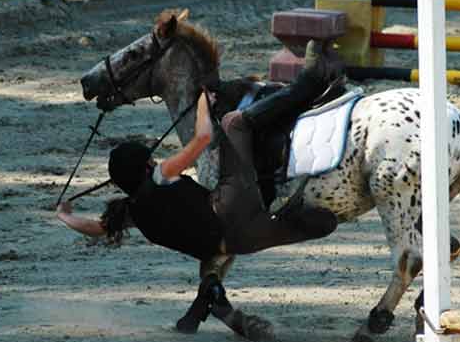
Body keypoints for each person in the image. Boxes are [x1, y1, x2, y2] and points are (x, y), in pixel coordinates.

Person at [56, 46, 342, 259]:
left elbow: (96, 227)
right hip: (230, 210)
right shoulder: (161, 175)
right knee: (234, 123)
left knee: (322, 224)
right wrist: (204, 100)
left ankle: (292, 219)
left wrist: (64, 217)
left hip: (237, 245)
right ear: (147, 166)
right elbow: (203, 137)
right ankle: (310, 81)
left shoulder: (132, 212)